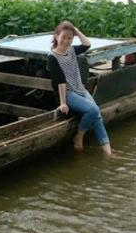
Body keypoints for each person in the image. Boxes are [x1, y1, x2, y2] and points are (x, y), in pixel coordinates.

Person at [48, 21, 112, 155]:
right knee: (93, 110)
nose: (66, 41)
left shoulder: (71, 50)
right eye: (63, 37)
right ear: (56, 36)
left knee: (97, 115)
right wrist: (63, 103)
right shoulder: (52, 57)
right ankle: (79, 135)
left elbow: (87, 44)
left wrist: (75, 30)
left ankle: (108, 152)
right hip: (68, 93)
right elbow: (59, 82)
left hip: (80, 90)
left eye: (69, 38)